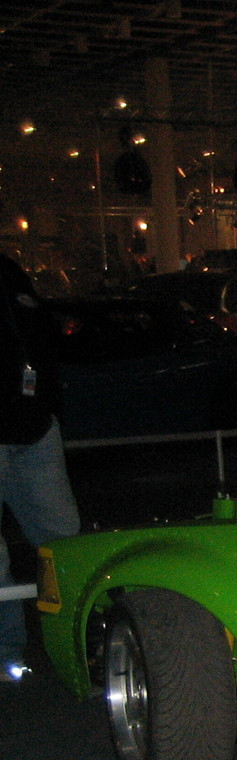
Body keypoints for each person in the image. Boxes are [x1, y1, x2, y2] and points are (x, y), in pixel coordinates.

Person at [1, 253, 80, 681]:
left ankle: (74, 639)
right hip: (27, 419)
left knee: (62, 537)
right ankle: (7, 654)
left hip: (32, 423)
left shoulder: (10, 271)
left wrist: (48, 410)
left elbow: (42, 341)